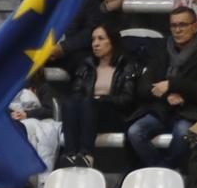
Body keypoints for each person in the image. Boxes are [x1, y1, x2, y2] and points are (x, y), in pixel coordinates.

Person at [128, 8, 197, 168]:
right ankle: (165, 170)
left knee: (183, 133)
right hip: (161, 110)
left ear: (195, 26)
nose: (178, 30)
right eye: (173, 25)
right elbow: (143, 87)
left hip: (190, 112)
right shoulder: (162, 51)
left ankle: (168, 172)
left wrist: (172, 85)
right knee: (135, 131)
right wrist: (166, 95)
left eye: (182, 24)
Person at [61, 24, 145, 167]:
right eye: (93, 39)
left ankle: (86, 155)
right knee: (70, 103)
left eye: (101, 39)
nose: (95, 44)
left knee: (89, 103)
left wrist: (102, 100)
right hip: (87, 114)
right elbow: (76, 93)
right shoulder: (86, 66)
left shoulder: (127, 66)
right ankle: (70, 154)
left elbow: (127, 99)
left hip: (115, 115)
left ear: (112, 41)